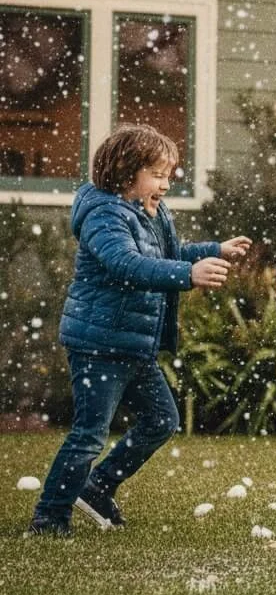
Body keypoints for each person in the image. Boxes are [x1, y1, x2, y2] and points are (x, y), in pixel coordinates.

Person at [28, 123, 251, 537]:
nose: (166, 184)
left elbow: (167, 255)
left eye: (169, 176)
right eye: (159, 174)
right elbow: (128, 266)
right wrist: (189, 273)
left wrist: (212, 250)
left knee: (162, 420)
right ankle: (49, 517)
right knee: (89, 434)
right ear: (127, 172)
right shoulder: (104, 215)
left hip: (134, 345)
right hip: (98, 344)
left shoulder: (151, 210)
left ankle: (98, 487)